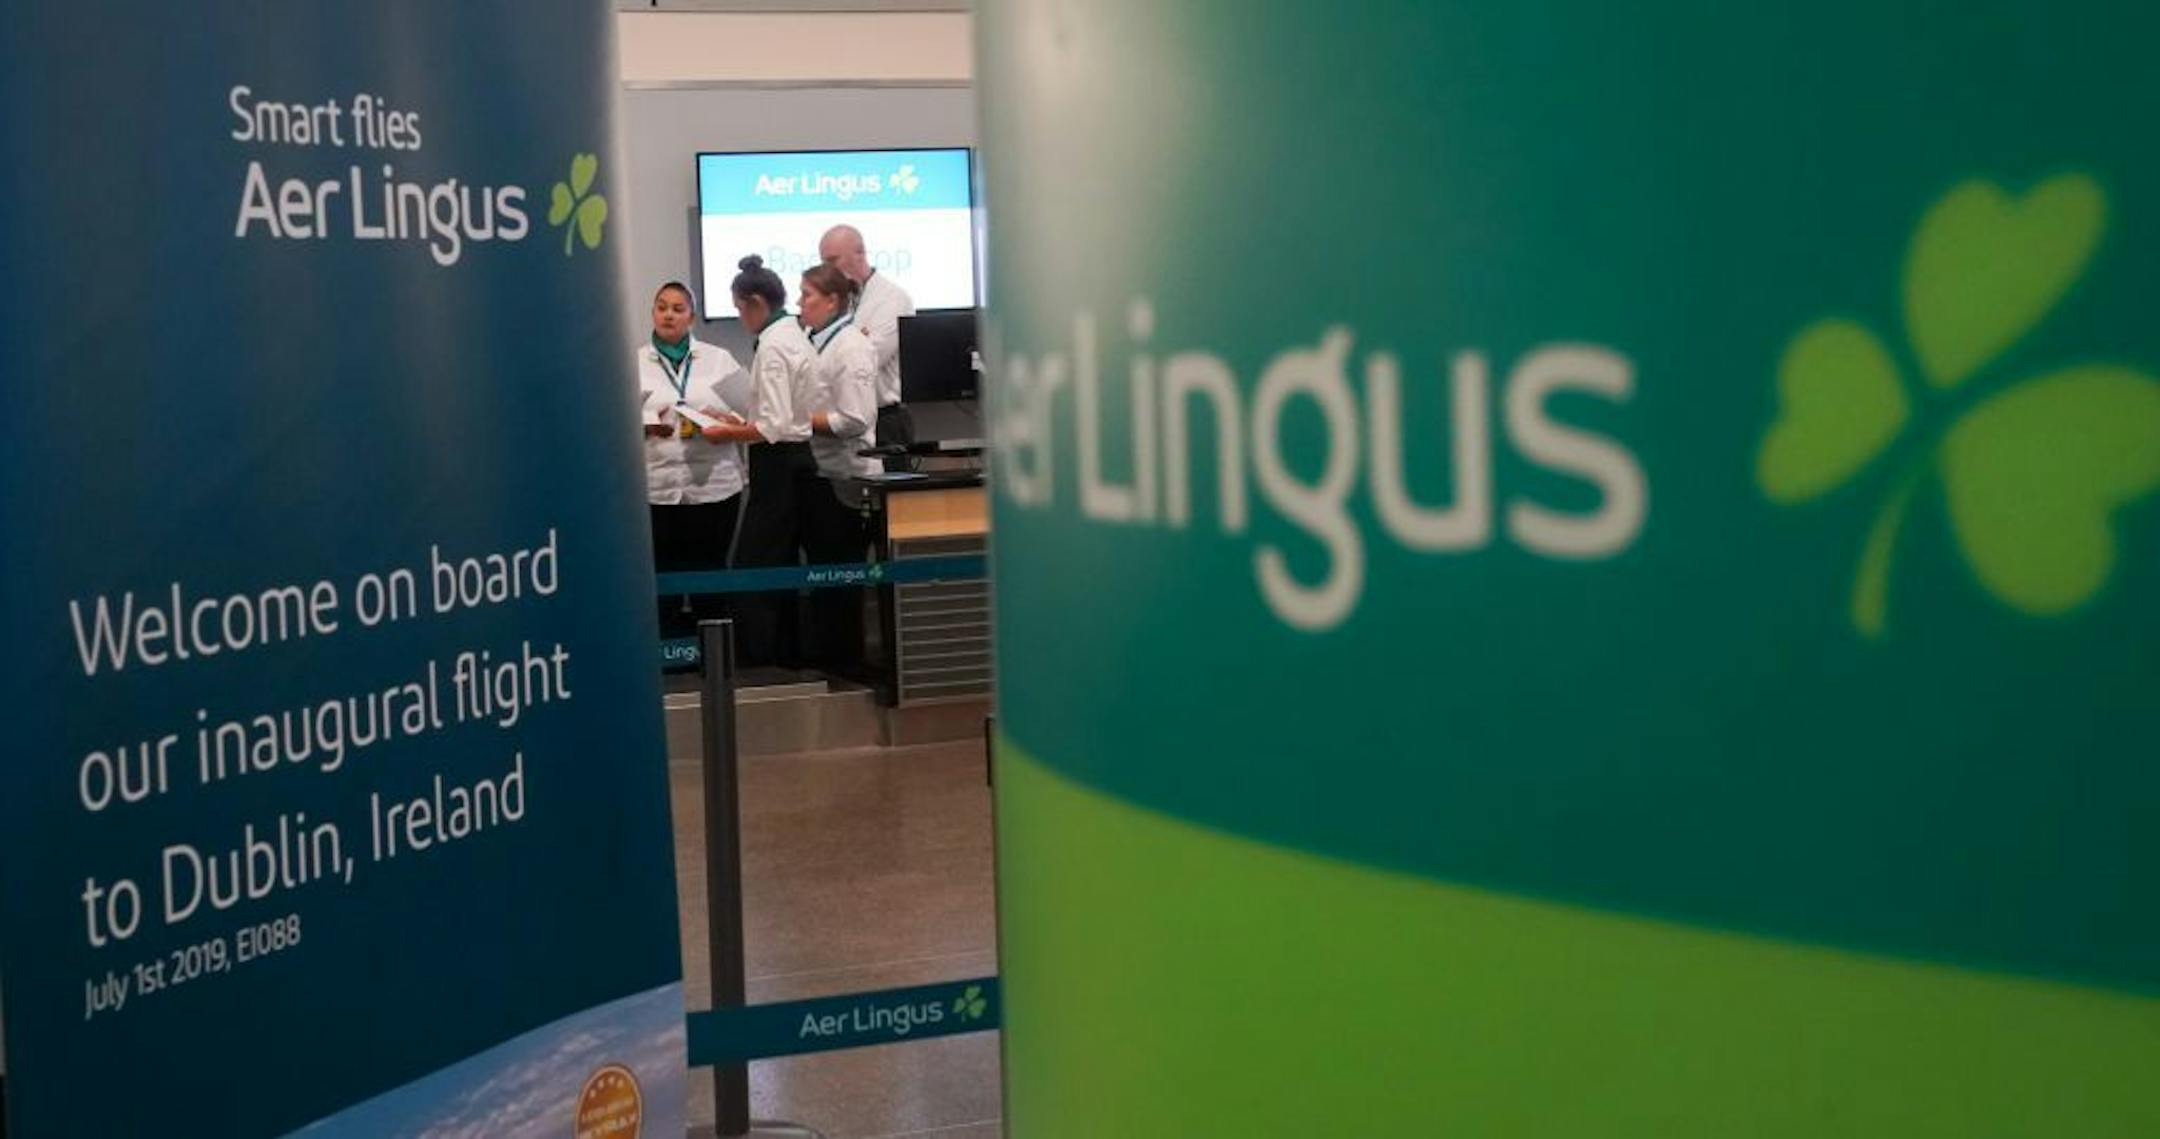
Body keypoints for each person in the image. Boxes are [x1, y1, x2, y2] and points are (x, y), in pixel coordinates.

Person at [700, 255, 817, 668]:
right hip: (796, 459)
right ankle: (782, 653)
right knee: (779, 559)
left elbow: (773, 425)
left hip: (778, 463)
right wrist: (735, 419)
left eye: (738, 308)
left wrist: (727, 432)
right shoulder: (793, 335)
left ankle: (761, 658)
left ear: (753, 302)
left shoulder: (772, 347)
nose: (739, 317)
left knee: (756, 564)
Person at [637, 280, 746, 641]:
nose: (668, 314)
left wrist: (724, 420)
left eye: (677, 308)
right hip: (657, 488)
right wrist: (646, 426)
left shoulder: (719, 360)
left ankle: (714, 658)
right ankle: (666, 659)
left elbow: (751, 417)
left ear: (692, 317)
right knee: (660, 575)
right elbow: (608, 424)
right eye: (661, 307)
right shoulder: (632, 363)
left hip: (715, 487)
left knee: (709, 576)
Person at [796, 262, 882, 672]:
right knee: (824, 574)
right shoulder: (815, 341)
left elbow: (854, 419)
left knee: (842, 577)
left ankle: (848, 662)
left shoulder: (851, 347)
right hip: (819, 474)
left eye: (807, 296)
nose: (800, 304)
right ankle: (832, 656)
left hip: (847, 479)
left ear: (832, 300)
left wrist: (795, 421)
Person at [818, 224, 916, 457]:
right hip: (843, 420)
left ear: (860, 254)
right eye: (823, 262)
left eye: (832, 261)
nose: (826, 271)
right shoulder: (839, 300)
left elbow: (869, 358)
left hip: (885, 421)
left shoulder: (892, 299)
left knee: (890, 494)